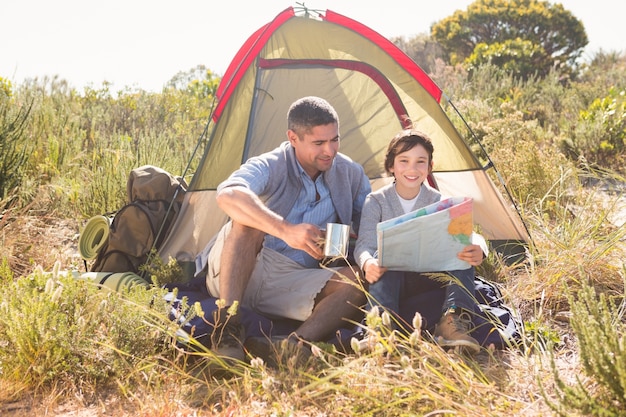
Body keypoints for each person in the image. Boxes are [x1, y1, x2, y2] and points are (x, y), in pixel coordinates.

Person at [201, 96, 371, 361]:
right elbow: (228, 195)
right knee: (247, 219)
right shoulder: (271, 164)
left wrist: (348, 240)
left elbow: (368, 228)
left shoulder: (351, 173)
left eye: (335, 139)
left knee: (359, 278)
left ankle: (292, 345)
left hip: (293, 278)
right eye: (318, 143)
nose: (330, 150)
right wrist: (285, 230)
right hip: (241, 267)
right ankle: (227, 328)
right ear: (293, 138)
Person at [353, 127, 487, 354]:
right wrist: (368, 263)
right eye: (404, 161)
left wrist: (479, 248)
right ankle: (380, 328)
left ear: (430, 167)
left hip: (431, 277)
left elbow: (468, 235)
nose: (412, 169)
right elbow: (364, 244)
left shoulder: (441, 201)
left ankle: (452, 322)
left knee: (461, 251)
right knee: (381, 256)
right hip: (393, 280)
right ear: (391, 166)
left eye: (420, 162)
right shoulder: (376, 201)